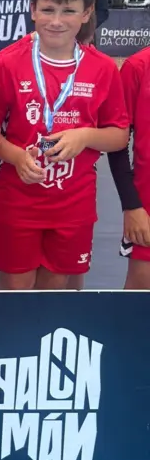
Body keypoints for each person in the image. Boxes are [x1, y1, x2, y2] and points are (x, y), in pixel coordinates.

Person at [0, 0, 129, 291]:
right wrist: (16, 156)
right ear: (33, 9)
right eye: (48, 10)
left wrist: (85, 136)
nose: (56, 21)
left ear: (87, 12)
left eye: (68, 11)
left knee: (56, 293)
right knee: (14, 293)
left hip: (73, 206)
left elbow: (119, 136)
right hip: (18, 202)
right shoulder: (8, 64)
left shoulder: (103, 69)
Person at [108, 46, 150, 289]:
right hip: (147, 206)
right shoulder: (138, 67)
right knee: (141, 296)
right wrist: (132, 206)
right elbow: (117, 145)